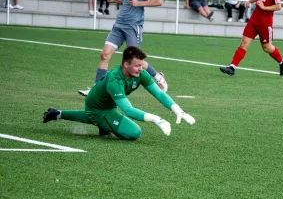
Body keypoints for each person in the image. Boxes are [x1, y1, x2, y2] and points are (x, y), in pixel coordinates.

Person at [44, 47, 195, 140]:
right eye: (137, 66)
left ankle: (57, 114)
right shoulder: (114, 80)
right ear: (126, 64)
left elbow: (160, 94)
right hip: (97, 107)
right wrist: (157, 120)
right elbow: (128, 109)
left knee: (104, 116)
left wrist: (179, 111)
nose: (140, 69)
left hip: (108, 107)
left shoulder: (140, 73)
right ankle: (102, 124)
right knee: (134, 133)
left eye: (141, 66)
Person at [78, 0, 168, 97]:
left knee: (135, 60)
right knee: (105, 55)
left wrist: (139, 3)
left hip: (133, 26)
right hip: (119, 24)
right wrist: (115, 0)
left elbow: (159, 0)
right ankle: (97, 90)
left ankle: (157, 76)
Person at [219, 0, 283, 77]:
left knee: (266, 48)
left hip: (265, 23)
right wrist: (250, 1)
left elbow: (278, 6)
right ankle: (232, 67)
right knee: (243, 43)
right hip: (254, 20)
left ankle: (282, 61)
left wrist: (264, 8)